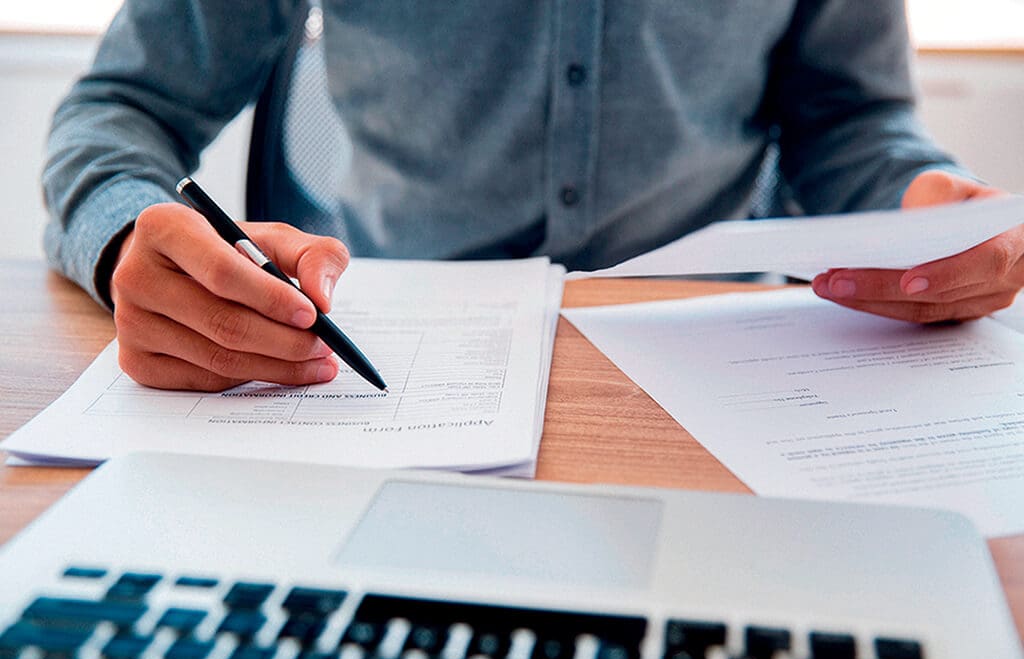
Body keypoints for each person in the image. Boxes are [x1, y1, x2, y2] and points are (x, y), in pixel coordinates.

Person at [43, 1, 1024, 391]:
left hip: (718, 369)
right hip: (396, 362)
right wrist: (126, 233)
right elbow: (121, 107)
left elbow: (846, 116)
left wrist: (917, 200)